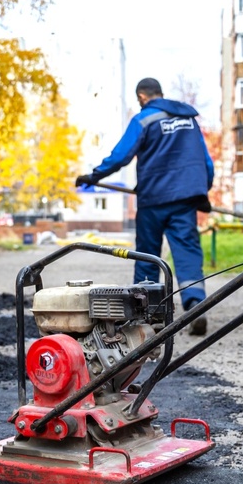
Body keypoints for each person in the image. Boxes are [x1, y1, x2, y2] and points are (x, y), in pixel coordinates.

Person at [74, 77, 214, 335]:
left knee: (148, 255)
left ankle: (150, 314)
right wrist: (202, 192)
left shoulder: (144, 119)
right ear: (160, 93)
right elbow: (206, 161)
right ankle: (195, 305)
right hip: (184, 200)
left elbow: (121, 156)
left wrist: (94, 176)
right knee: (187, 252)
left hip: (153, 199)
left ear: (141, 96)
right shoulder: (188, 120)